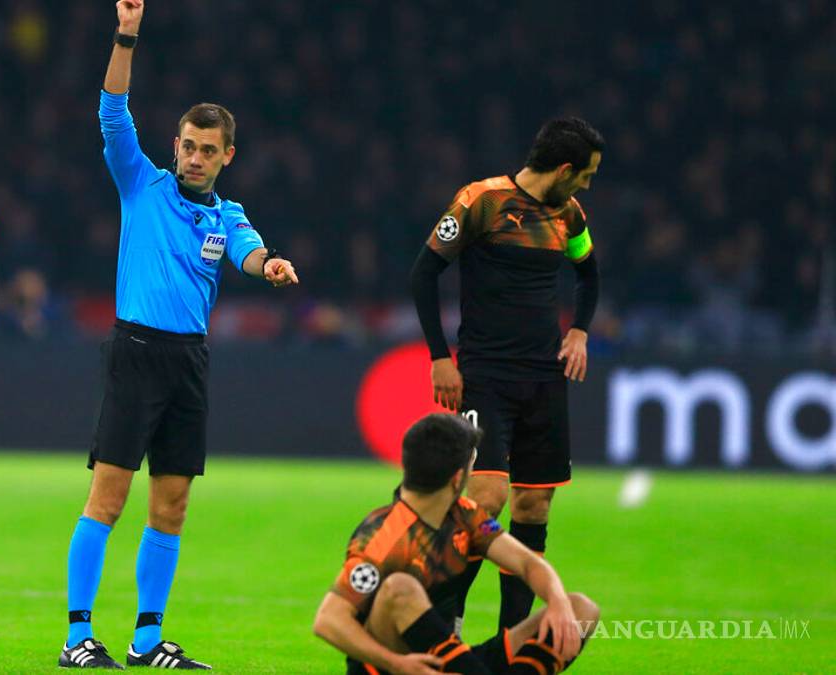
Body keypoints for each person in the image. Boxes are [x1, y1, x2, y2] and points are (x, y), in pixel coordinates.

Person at [58, 0, 299, 669]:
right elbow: (112, 112)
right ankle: (77, 638)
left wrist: (269, 266)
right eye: (188, 146)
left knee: (173, 502)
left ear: (227, 155)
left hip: (189, 360)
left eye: (207, 150)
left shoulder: (229, 214)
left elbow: (248, 251)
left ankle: (145, 640)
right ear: (176, 145)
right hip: (136, 351)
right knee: (109, 496)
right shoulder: (143, 184)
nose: (194, 157)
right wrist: (126, 35)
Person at [409, 118, 603, 635]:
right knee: (486, 498)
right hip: (486, 374)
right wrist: (440, 357)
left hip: (545, 378)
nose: (586, 186)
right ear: (564, 169)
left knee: (534, 504)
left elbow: (588, 274)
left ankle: (511, 640)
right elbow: (424, 274)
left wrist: (579, 331)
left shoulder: (569, 214)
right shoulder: (481, 201)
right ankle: (446, 623)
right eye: (585, 175)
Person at [313, 414, 600, 674]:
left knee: (581, 611)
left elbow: (527, 563)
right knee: (400, 588)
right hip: (399, 667)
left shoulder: (465, 515)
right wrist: (396, 663)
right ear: (458, 477)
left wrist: (558, 602)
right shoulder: (384, 536)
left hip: (451, 661)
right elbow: (328, 619)